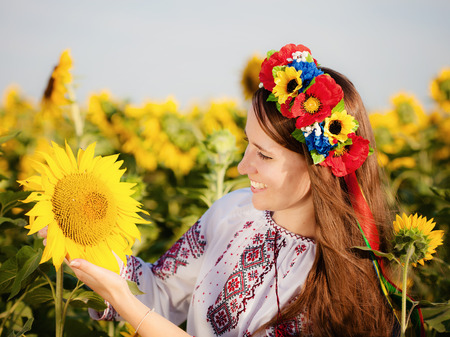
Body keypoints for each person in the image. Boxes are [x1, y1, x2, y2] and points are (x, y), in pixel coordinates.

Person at [69, 43, 398, 336]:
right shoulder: (234, 211)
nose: (243, 166)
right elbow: (159, 290)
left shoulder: (341, 278)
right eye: (247, 145)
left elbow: (135, 302)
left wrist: (126, 304)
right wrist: (80, 235)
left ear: (319, 169)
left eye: (264, 155)